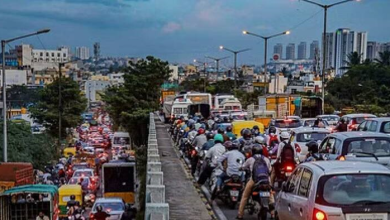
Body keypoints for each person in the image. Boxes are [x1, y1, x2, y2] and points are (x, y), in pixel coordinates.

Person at [237, 144, 273, 220]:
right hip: (266, 180)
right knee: (270, 194)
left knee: (245, 196)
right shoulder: (266, 159)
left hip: (254, 180)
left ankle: (240, 215)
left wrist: (241, 168)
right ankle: (273, 213)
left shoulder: (250, 159)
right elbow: (270, 170)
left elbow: (243, 167)